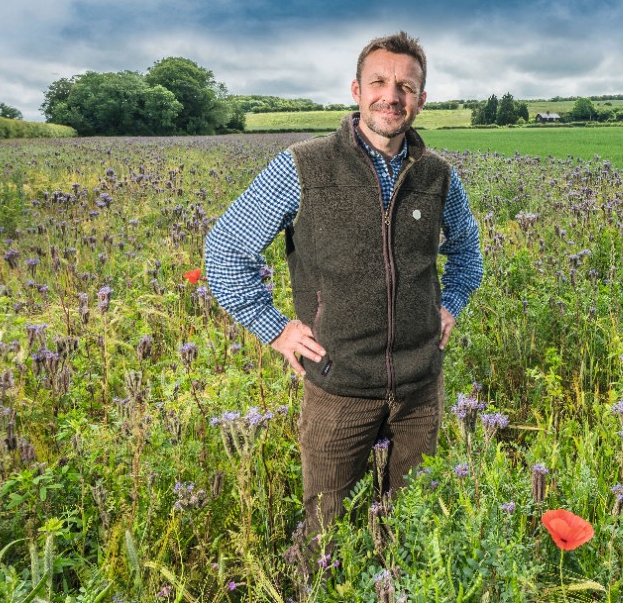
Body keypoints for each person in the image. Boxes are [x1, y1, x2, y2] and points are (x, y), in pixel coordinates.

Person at [203, 31, 483, 551]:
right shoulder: (302, 166)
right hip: (339, 387)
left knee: (410, 528)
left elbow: (468, 251)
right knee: (324, 531)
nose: (391, 95)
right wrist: (275, 329)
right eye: (379, 81)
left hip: (420, 390)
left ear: (421, 99)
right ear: (356, 89)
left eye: (406, 86)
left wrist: (451, 304)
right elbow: (224, 251)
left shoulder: (439, 177)